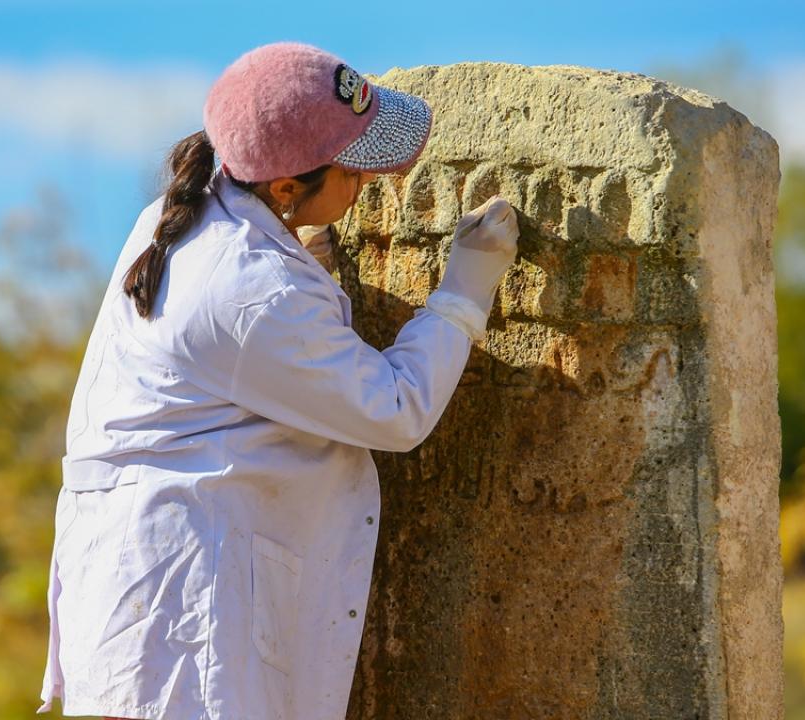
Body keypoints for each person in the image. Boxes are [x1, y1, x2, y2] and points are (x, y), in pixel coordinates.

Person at [36, 41, 518, 720]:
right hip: (188, 616)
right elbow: (396, 411)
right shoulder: (253, 291)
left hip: (148, 580)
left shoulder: (186, 218)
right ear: (287, 186)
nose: (369, 184)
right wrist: (462, 296)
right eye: (355, 170)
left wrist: (299, 252)